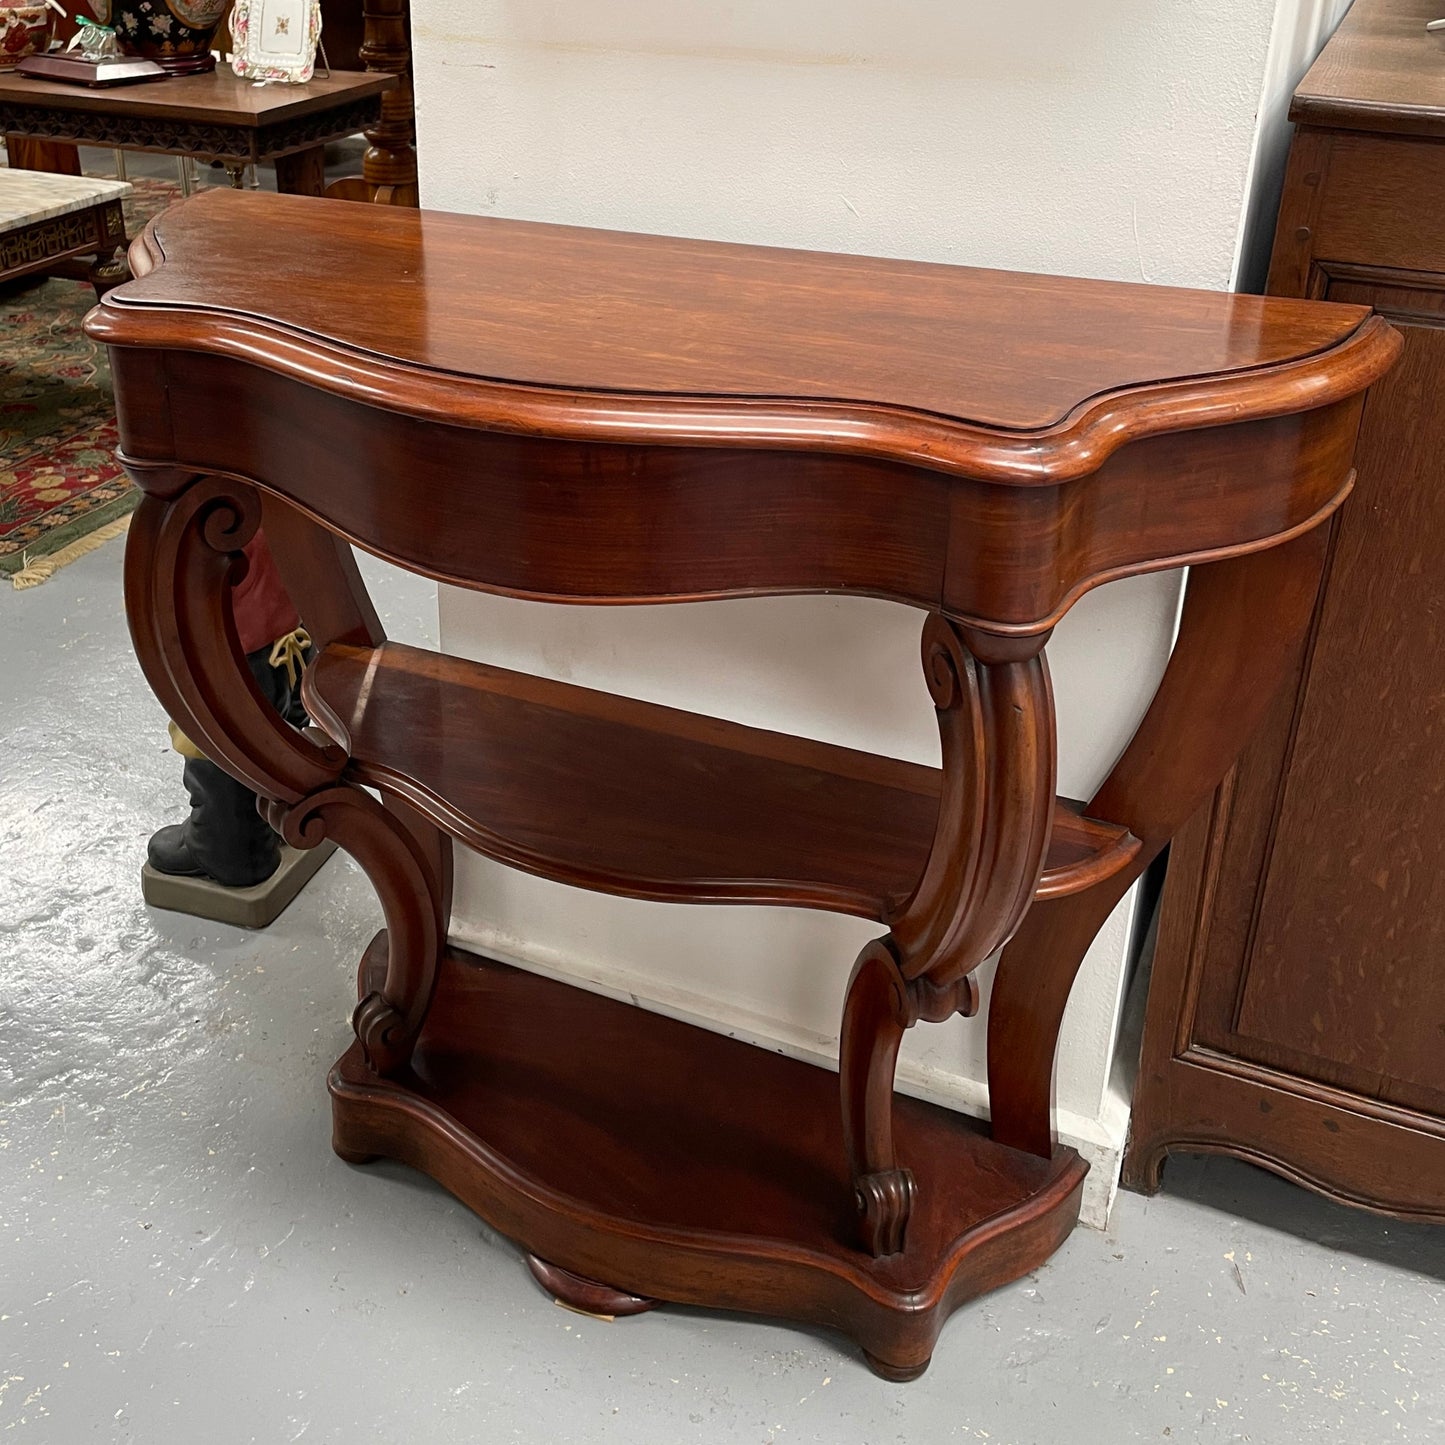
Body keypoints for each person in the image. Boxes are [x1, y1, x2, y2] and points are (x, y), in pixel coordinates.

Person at [146, 531, 310, 888]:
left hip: (229, 648)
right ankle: (283, 821)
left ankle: (231, 851)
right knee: (281, 731)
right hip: (287, 630)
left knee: (216, 743)